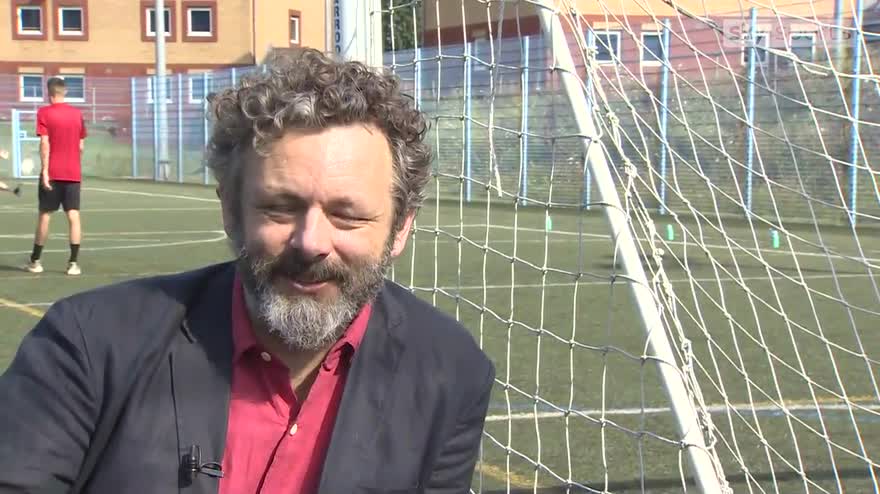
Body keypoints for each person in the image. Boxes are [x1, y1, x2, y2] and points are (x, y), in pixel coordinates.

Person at [0, 49, 495, 493]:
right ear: (230, 210)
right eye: (280, 207)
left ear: (401, 228)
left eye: (348, 215)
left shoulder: (449, 372)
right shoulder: (89, 344)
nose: (311, 242)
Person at [26, 76, 87, 276]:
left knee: (45, 215)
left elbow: (45, 143)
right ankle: (73, 263)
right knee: (74, 216)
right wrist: (74, 164)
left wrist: (45, 171)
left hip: (52, 172)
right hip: (73, 173)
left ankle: (35, 261)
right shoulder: (77, 114)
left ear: (49, 93)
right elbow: (81, 146)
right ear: (65, 92)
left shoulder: (44, 112)